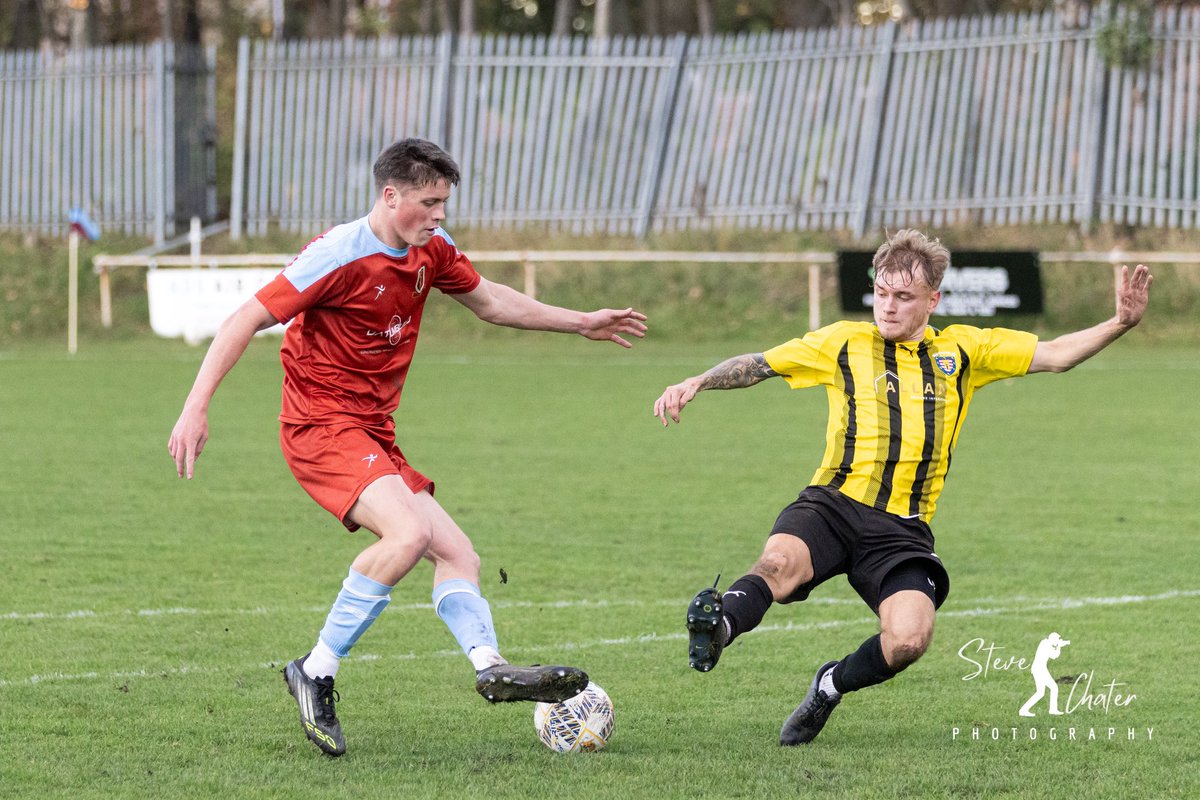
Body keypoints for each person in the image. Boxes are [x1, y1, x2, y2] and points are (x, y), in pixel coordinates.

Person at [168, 138, 647, 757]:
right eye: (429, 202)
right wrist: (196, 403)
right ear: (390, 196)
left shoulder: (431, 250)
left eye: (444, 202)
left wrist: (580, 321)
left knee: (459, 554)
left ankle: (489, 667)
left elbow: (492, 301)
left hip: (373, 434)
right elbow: (245, 318)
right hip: (320, 427)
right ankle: (314, 670)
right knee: (408, 536)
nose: (440, 215)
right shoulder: (338, 254)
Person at [652, 229, 1152, 746]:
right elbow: (760, 364)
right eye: (882, 293)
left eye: (903, 297)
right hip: (832, 504)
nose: (887, 307)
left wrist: (1120, 322)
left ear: (933, 300)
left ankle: (829, 685)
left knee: (910, 639)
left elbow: (1055, 354)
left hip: (901, 529)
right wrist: (697, 382)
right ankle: (718, 630)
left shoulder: (963, 350)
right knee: (777, 564)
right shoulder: (844, 342)